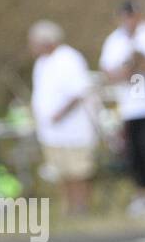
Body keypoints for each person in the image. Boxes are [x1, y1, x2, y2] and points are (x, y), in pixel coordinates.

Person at [100, 0, 145, 218]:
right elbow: (108, 72)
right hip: (130, 106)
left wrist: (139, 60)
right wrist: (126, 68)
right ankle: (142, 194)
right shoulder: (114, 40)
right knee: (135, 154)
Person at [29, 20, 97, 215]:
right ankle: (68, 206)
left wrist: (60, 113)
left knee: (78, 169)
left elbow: (79, 91)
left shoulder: (69, 58)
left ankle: (82, 205)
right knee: (60, 170)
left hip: (73, 126)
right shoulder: (41, 63)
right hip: (51, 130)